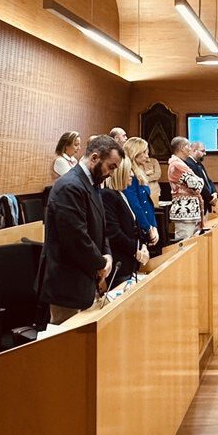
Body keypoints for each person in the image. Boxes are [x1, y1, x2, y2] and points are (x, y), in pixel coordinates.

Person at [37, 135, 124, 324]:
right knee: (68, 347)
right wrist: (100, 262)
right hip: (67, 284)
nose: (111, 173)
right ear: (94, 158)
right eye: (111, 167)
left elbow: (101, 226)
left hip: (85, 279)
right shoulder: (70, 186)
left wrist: (107, 255)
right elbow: (76, 239)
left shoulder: (91, 184)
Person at [103, 159, 149, 286]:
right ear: (120, 173)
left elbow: (135, 226)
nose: (132, 175)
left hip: (130, 262)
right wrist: (136, 249)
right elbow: (114, 233)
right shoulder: (108, 195)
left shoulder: (121, 194)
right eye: (129, 171)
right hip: (120, 264)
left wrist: (143, 246)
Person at [120, 137, 160, 250]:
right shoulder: (129, 175)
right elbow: (135, 205)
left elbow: (147, 203)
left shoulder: (139, 172)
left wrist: (153, 226)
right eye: (144, 152)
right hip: (135, 228)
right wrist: (148, 228)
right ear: (135, 153)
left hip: (146, 225)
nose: (147, 156)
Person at [167, 137, 206, 241]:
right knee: (184, 247)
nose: (190, 149)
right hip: (184, 213)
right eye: (188, 146)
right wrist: (200, 181)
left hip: (191, 212)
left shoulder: (181, 163)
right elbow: (196, 184)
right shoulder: (176, 165)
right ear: (181, 148)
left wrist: (199, 181)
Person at [187, 141, 218, 215]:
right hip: (199, 205)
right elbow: (200, 185)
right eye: (202, 151)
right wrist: (210, 199)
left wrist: (214, 192)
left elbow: (208, 181)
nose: (205, 153)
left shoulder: (199, 164)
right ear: (194, 150)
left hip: (205, 204)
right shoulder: (189, 164)